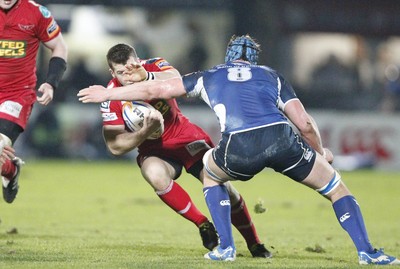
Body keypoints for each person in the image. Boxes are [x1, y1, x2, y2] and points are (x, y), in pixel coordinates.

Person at [78, 35, 399, 265]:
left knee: (213, 177)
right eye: (120, 73)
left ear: (228, 57)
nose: (126, 74)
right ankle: (367, 252)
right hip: (282, 139)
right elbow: (304, 122)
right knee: (335, 186)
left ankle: (230, 248)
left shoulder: (211, 74)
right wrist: (320, 153)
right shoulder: (272, 75)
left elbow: (159, 85)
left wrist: (110, 95)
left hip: (230, 142)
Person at [92, 43, 270, 257]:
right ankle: (202, 223)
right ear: (112, 72)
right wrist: (145, 131)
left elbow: (177, 78)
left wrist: (146, 76)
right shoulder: (110, 98)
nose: (127, 78)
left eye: (130, 69)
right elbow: (115, 146)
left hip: (186, 139)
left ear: (138, 61)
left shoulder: (154, 66)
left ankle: (254, 243)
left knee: (223, 187)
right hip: (154, 149)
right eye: (120, 73)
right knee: (153, 174)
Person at [0, 0, 68, 203]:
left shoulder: (37, 13)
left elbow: (59, 47)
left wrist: (50, 83)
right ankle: (10, 170)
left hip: (16, 95)